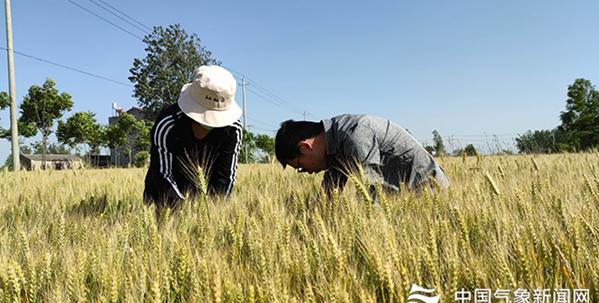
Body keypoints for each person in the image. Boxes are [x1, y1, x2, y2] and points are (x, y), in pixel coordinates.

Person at [143, 65, 243, 210]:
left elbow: (225, 177)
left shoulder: (233, 129)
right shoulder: (168, 124)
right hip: (165, 191)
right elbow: (163, 173)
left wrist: (214, 212)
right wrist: (184, 211)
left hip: (206, 196)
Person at [275, 114, 449, 196]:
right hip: (407, 201)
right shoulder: (334, 143)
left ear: (305, 147)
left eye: (300, 167)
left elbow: (374, 196)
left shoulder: (355, 136)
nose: (307, 172)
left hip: (429, 194)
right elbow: (330, 193)